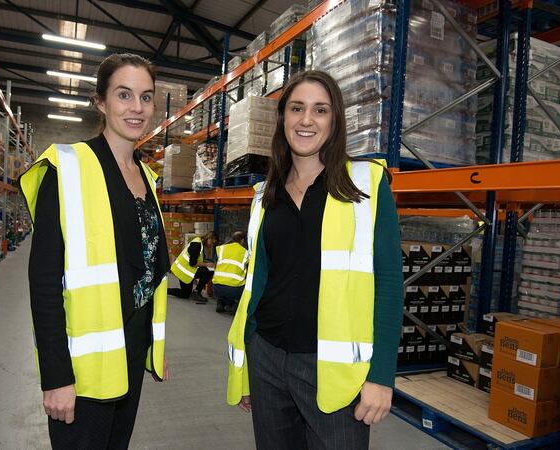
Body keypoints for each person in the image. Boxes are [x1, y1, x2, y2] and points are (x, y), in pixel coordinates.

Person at [226, 70, 404, 449]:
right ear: (283, 119)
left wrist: (381, 376)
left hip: (334, 371)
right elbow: (257, 285)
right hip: (267, 359)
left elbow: (388, 286)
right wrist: (246, 367)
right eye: (297, 108)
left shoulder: (366, 185)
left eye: (320, 110)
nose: (307, 120)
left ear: (334, 120)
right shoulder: (264, 196)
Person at [21, 53, 170, 450]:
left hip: (130, 353)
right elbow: (45, 281)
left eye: (146, 97)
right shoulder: (67, 168)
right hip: (83, 372)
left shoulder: (147, 179)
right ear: (100, 102)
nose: (136, 108)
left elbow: (146, 272)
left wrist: (153, 348)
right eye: (124, 95)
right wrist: (55, 377)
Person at [169, 231, 217, 304]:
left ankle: (196, 292)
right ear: (209, 238)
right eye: (212, 242)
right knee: (185, 294)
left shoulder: (200, 243)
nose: (212, 245)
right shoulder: (197, 244)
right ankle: (165, 291)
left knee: (208, 271)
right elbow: (193, 263)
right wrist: (207, 264)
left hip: (187, 270)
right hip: (184, 271)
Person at [212, 231, 248, 313]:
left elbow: (215, 265)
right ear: (242, 240)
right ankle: (235, 304)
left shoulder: (221, 248)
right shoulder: (245, 253)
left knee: (225, 291)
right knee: (246, 283)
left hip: (217, 287)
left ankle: (220, 301)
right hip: (235, 289)